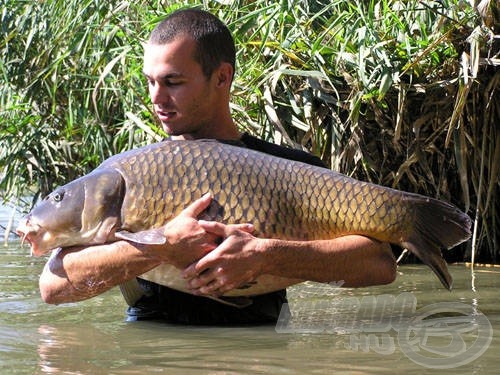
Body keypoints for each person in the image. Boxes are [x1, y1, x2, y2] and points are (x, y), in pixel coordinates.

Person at [39, 8, 396, 325]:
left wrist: (268, 256)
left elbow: (380, 265)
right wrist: (159, 247)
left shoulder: (293, 169)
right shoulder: (131, 174)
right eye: (150, 82)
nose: (156, 98)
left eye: (172, 82)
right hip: (149, 354)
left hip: (260, 350)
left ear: (222, 77)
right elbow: (53, 287)